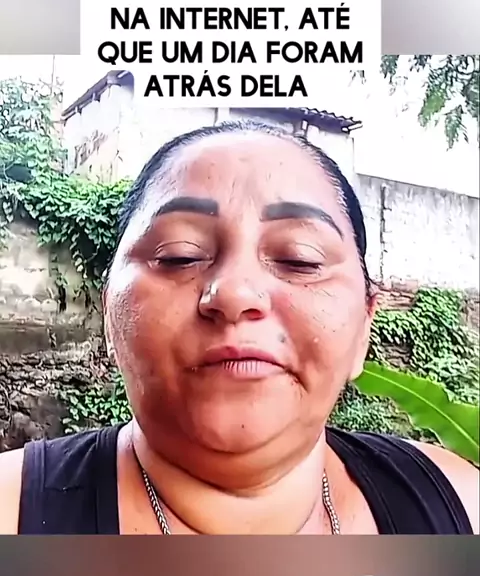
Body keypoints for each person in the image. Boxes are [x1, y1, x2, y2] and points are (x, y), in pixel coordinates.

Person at [0, 120, 478, 535]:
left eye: (300, 259)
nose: (234, 293)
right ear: (110, 313)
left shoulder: (459, 505)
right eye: (179, 255)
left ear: (364, 326)